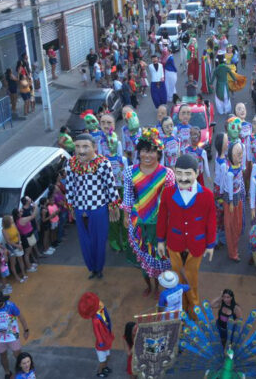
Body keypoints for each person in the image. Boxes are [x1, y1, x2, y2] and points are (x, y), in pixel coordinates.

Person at [155, 154, 217, 317]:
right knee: (176, 278)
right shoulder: (168, 193)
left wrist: (210, 244)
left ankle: (194, 307)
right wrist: (160, 240)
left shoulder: (207, 195)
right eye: (179, 173)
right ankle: (179, 307)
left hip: (197, 245)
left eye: (188, 173)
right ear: (174, 172)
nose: (183, 178)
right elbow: (162, 217)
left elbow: (211, 220)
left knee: (192, 278)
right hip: (174, 243)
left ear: (197, 173)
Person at [124, 128, 175, 295]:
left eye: (152, 151)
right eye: (145, 150)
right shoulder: (130, 172)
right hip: (139, 224)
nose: (148, 155)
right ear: (139, 152)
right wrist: (126, 217)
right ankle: (150, 286)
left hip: (159, 225)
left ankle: (160, 288)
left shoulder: (167, 174)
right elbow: (128, 198)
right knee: (144, 262)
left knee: (161, 259)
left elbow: (171, 203)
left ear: (158, 153)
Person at [65, 133, 120, 279]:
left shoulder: (103, 163)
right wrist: (70, 206)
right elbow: (69, 187)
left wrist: (114, 206)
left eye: (85, 146)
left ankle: (99, 268)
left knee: (99, 240)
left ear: (94, 147)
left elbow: (111, 186)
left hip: (98, 209)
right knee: (85, 241)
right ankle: (92, 268)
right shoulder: (71, 163)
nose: (81, 150)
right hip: (79, 209)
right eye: (77, 146)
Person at [0, 290, 30, 379]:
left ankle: (22, 371)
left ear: (3, 300)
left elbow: (21, 317)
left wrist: (26, 330)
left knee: (17, 355)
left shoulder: (11, 306)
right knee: (2, 355)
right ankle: (7, 372)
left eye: (0, 301)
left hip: (13, 335)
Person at [78, 292, 114, 378]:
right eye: (98, 303)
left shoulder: (101, 311)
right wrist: (101, 342)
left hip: (106, 339)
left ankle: (105, 368)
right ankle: (100, 371)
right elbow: (97, 333)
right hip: (101, 344)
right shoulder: (95, 320)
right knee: (102, 361)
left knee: (107, 357)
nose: (101, 302)